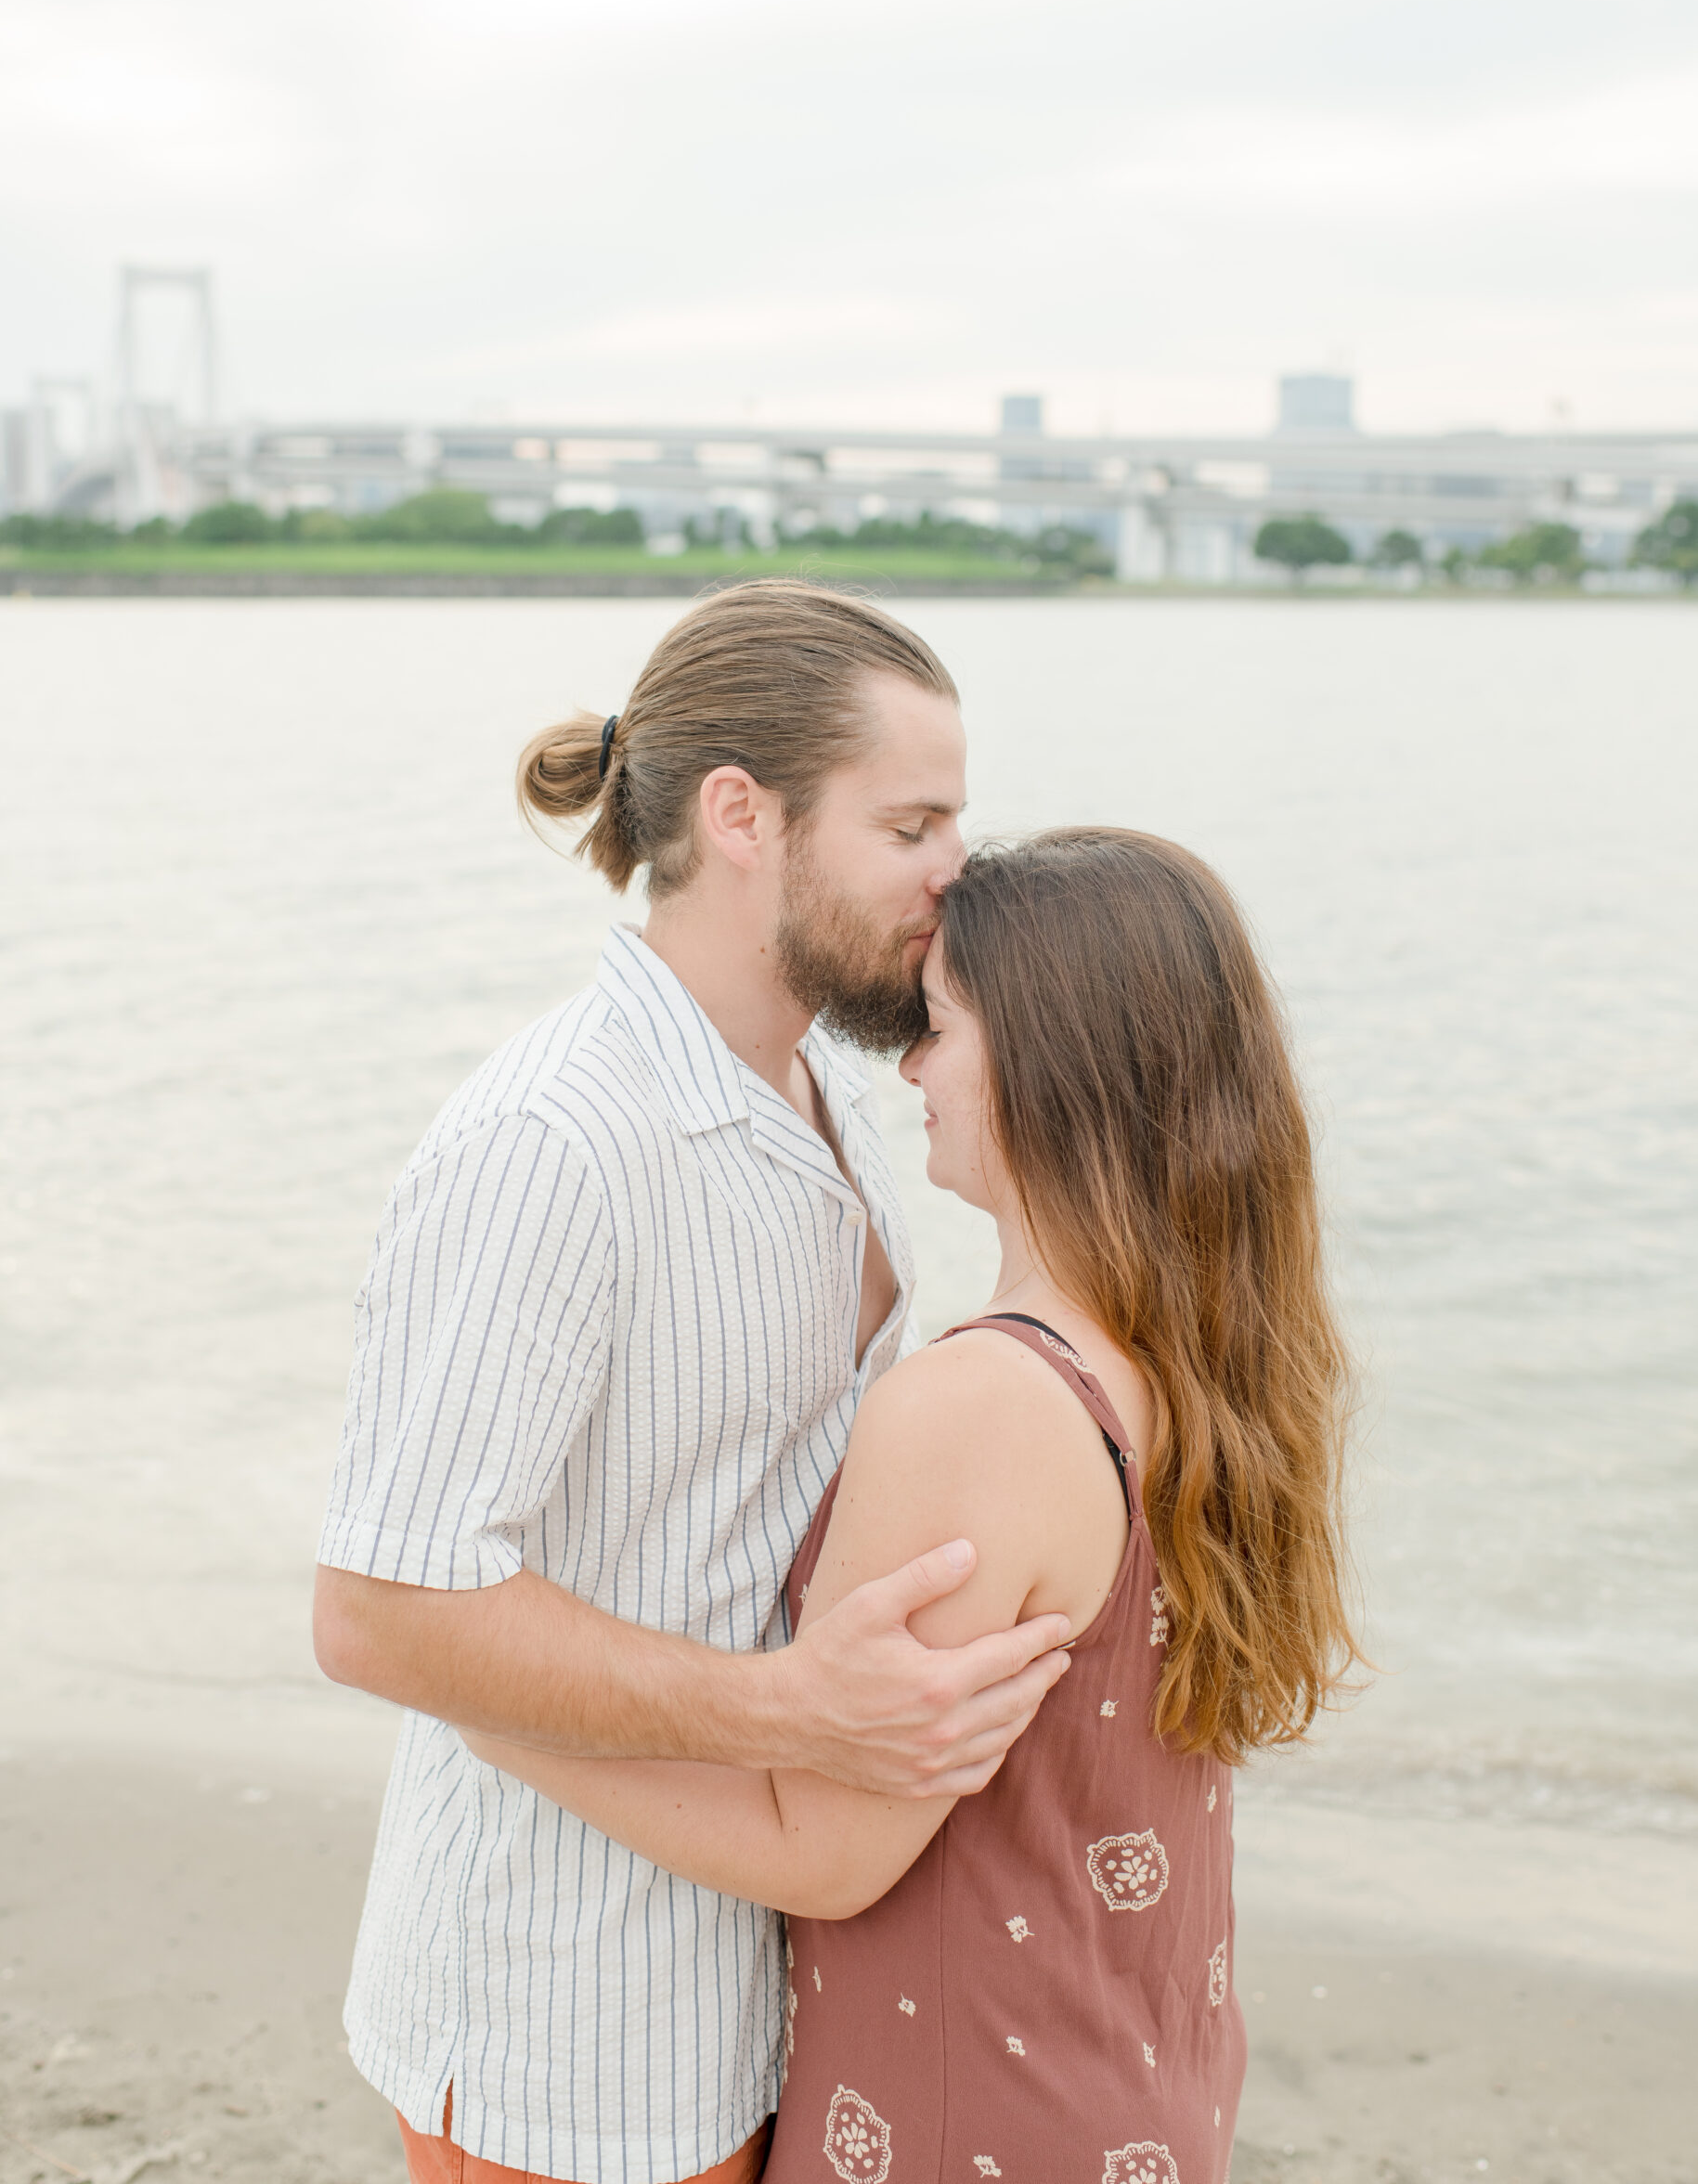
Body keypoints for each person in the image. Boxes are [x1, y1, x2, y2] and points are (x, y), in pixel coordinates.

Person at [312, 581, 1075, 2184]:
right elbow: (380, 1610)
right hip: (559, 2024)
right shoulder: (552, 1144)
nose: (958, 875)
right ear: (745, 816)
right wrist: (786, 1711)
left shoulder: (838, 1092)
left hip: (759, 1978)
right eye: (913, 824)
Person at [466, 827, 1362, 2184]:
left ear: (1051, 1070)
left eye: (938, 1028)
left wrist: (489, 1710)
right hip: (1132, 2084)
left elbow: (819, 1852)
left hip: (964, 2124)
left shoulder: (982, 1406)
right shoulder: (1194, 1368)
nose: (911, 1069)